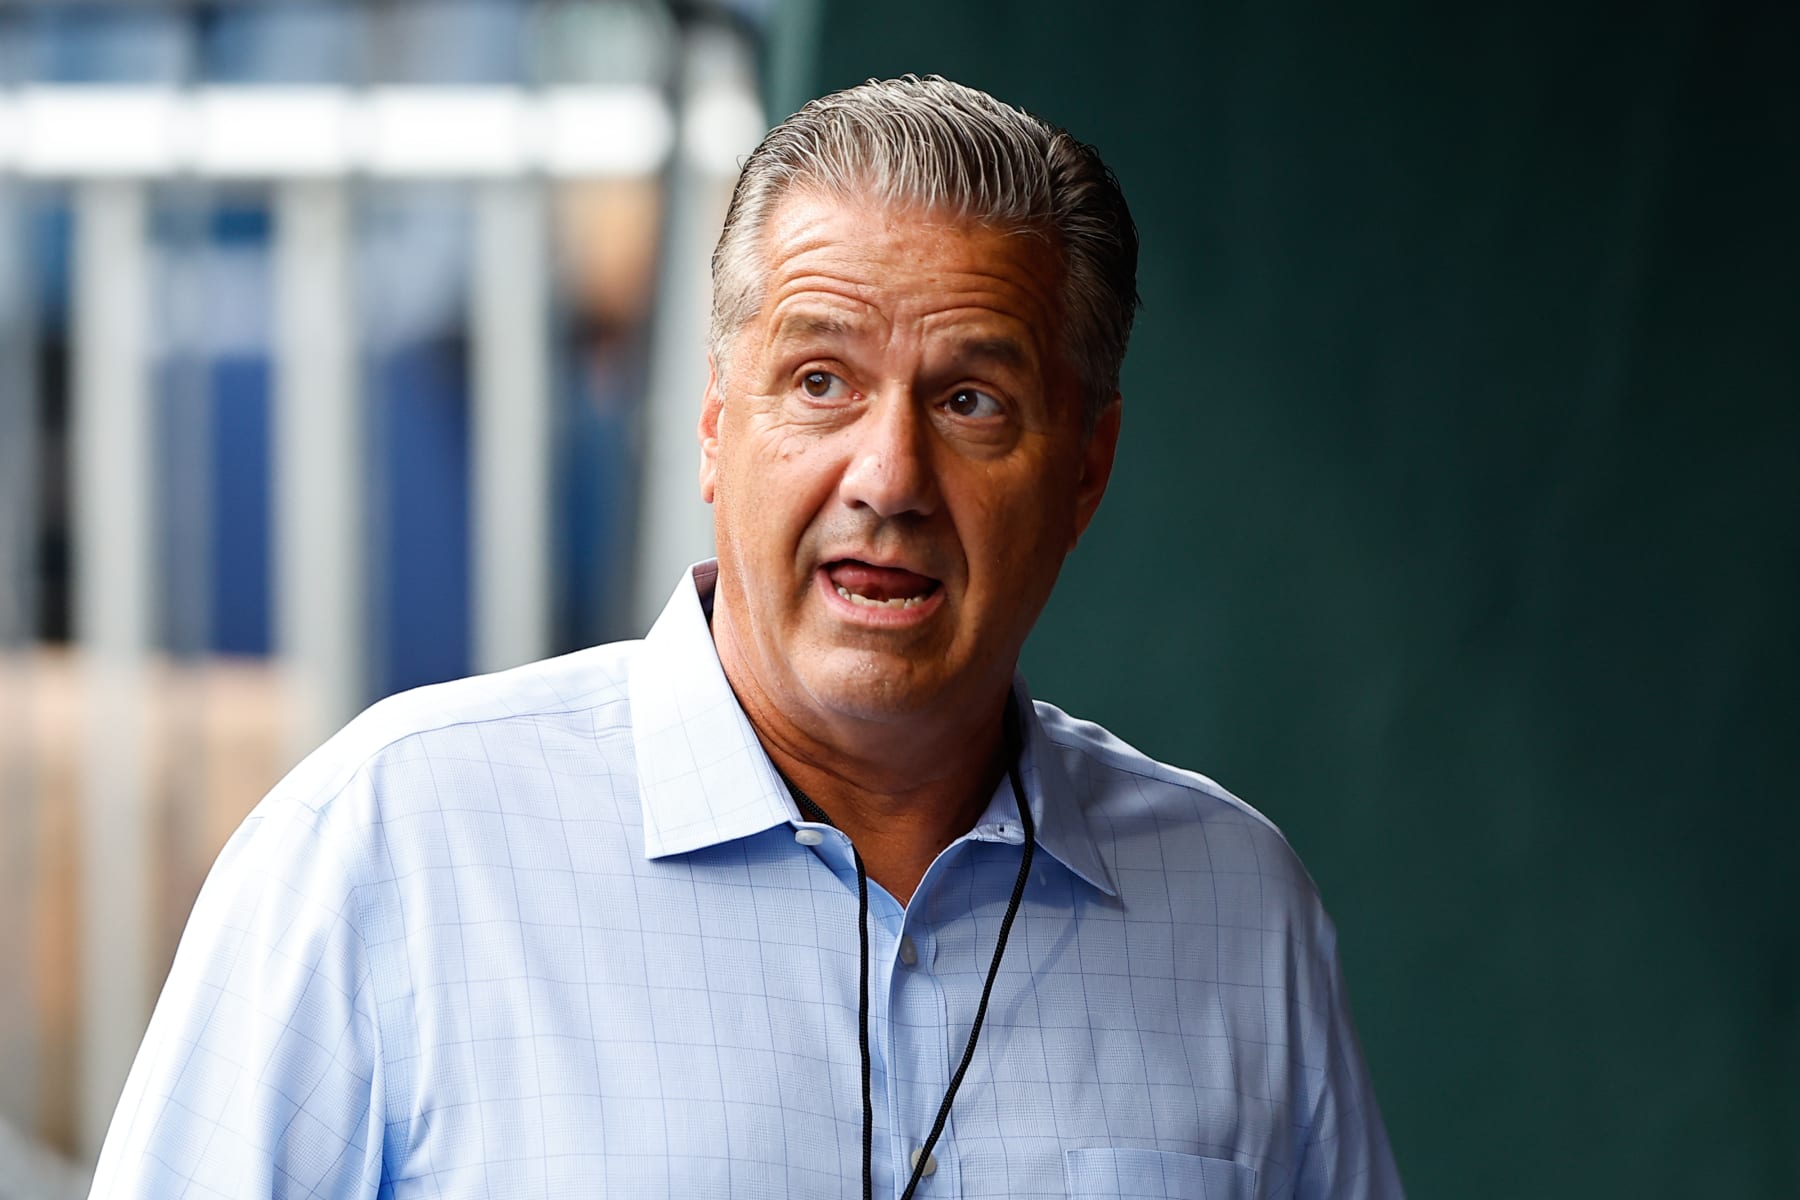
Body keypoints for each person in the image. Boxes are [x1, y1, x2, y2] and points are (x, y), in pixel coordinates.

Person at [90, 75, 1403, 1199]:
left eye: (970, 400)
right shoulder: (390, 846)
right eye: (819, 380)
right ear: (717, 428)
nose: (888, 475)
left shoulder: (1239, 911)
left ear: (1086, 473)